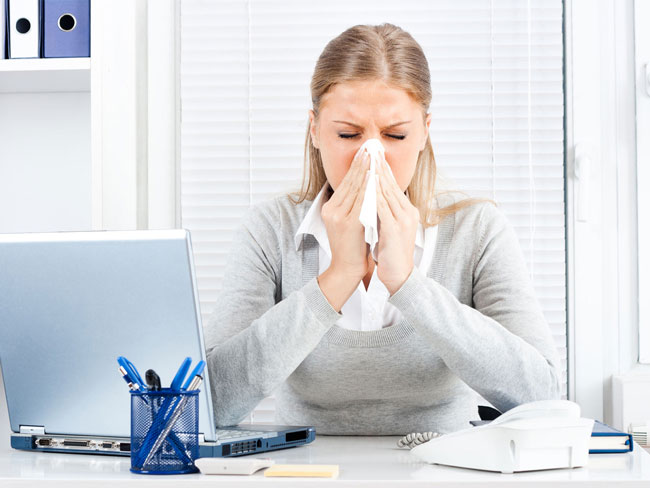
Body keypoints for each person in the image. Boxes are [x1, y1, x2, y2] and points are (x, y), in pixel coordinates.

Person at [203, 23, 561, 435]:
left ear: (425, 131)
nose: (370, 157)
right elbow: (212, 403)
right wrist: (336, 280)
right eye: (347, 134)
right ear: (315, 131)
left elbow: (543, 395)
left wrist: (409, 284)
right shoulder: (269, 230)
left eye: (395, 135)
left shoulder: (477, 230)